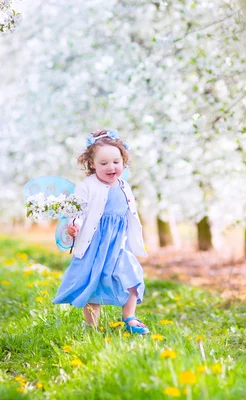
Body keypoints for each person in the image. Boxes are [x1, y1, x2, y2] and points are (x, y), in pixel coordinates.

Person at [52, 129, 149, 334]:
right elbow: (77, 209)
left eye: (116, 161)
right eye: (103, 163)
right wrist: (74, 225)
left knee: (132, 277)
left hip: (118, 245)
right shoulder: (87, 186)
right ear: (92, 164)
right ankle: (91, 326)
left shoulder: (125, 186)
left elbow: (130, 214)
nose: (110, 167)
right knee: (92, 284)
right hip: (94, 245)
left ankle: (129, 317)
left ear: (124, 162)